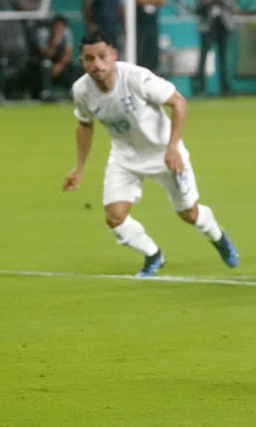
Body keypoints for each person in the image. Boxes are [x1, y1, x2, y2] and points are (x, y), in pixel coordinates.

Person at [62, 31, 240, 277]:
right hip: (124, 159)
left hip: (165, 154)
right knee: (114, 218)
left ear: (113, 54)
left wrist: (173, 147)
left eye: (102, 56)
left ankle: (218, 237)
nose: (97, 64)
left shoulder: (136, 78)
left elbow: (178, 102)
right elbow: (84, 124)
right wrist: (78, 167)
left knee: (189, 214)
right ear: (82, 61)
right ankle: (153, 255)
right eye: (89, 59)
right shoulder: (81, 90)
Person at [193, 0, 235, 95]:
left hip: (223, 25)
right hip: (207, 26)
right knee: (204, 58)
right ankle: (200, 88)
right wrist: (208, 1)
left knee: (223, 58)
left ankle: (225, 88)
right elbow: (196, 9)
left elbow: (233, 6)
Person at [33, 14, 78, 101]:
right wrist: (55, 40)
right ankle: (46, 93)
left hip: (59, 62)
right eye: (57, 26)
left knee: (74, 65)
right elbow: (47, 54)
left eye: (62, 26)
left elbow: (68, 53)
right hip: (45, 61)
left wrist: (60, 65)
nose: (60, 28)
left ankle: (72, 91)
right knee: (46, 65)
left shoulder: (66, 32)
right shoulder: (43, 33)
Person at [136, 0, 167, 73]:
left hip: (152, 22)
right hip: (139, 22)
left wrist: (146, 0)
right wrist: (154, 0)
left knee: (153, 50)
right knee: (140, 51)